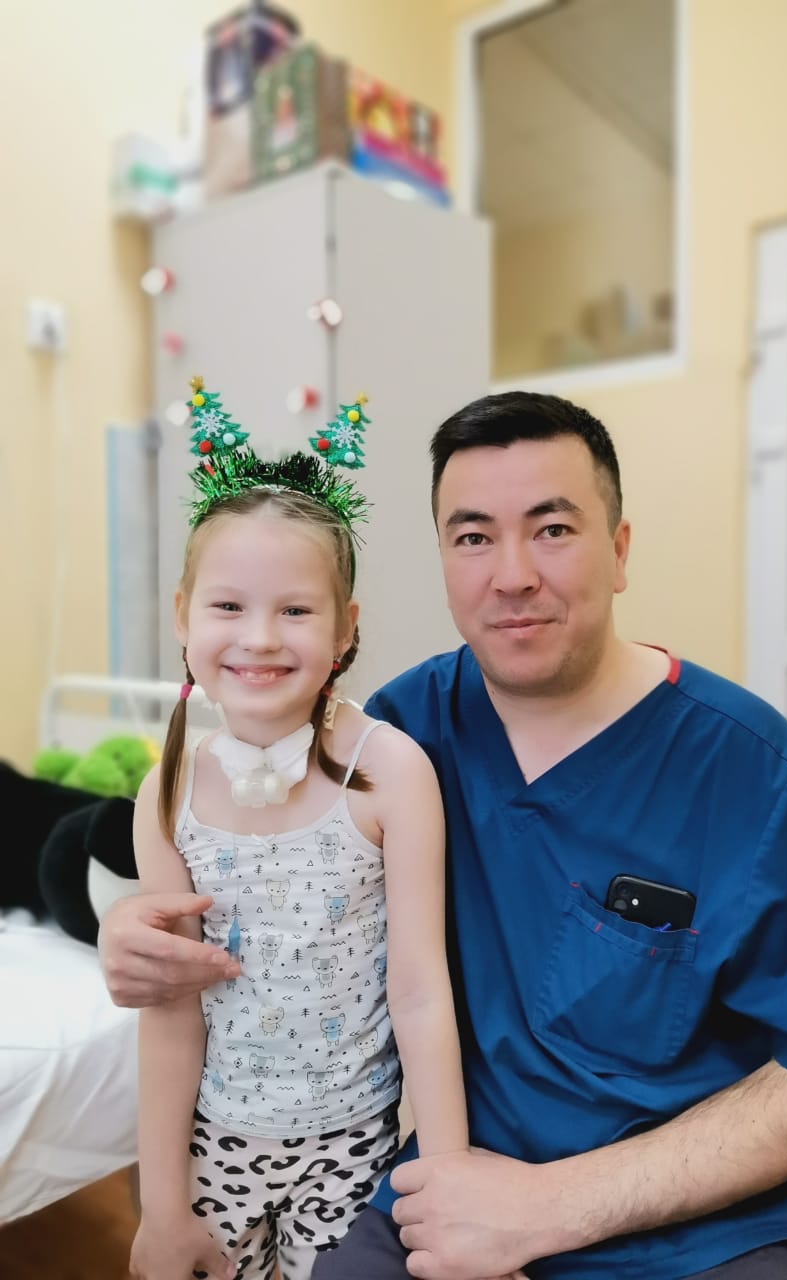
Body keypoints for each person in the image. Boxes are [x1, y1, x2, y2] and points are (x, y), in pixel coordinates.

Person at [102, 391, 787, 1280]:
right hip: (460, 1181)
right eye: (473, 536)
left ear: (620, 550)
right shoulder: (401, 735)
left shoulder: (747, 766)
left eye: (552, 529)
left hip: (702, 1224)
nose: (512, 574)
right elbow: (234, 836)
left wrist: (552, 1208)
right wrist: (124, 927)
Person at [126, 380, 471, 1280]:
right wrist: (161, 1209)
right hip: (214, 1145)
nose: (261, 638)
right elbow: (169, 1012)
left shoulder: (391, 773)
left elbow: (421, 990)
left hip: (356, 1147)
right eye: (228, 607)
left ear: (345, 629)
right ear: (183, 617)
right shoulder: (166, 793)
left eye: (296, 609)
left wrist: (450, 1188)